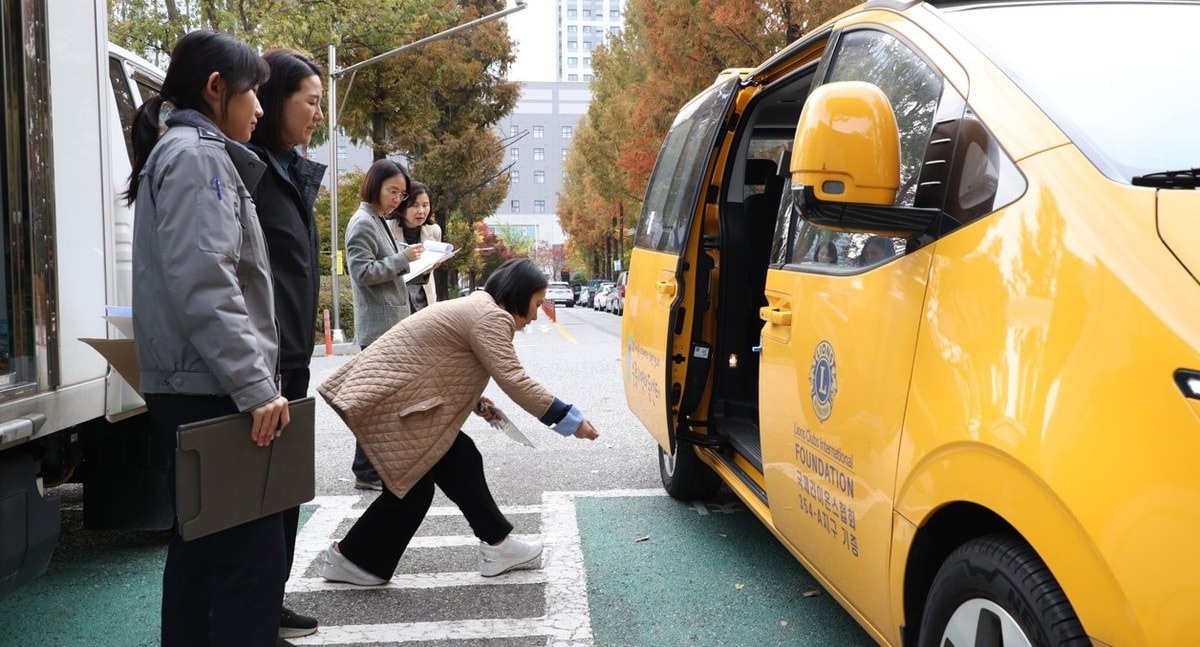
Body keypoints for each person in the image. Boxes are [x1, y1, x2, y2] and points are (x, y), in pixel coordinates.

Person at [125, 31, 290, 646]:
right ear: (216, 88)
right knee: (249, 566)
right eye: (253, 95)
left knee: (203, 555)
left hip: (193, 385)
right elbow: (207, 281)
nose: (259, 110)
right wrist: (254, 386)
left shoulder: (181, 152)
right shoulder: (197, 157)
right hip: (211, 388)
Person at [316, 258, 600, 585]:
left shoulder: (478, 306)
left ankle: (498, 544)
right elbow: (515, 379)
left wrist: (475, 403)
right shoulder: (492, 318)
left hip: (392, 397)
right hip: (392, 401)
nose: (536, 314)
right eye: (536, 304)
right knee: (413, 492)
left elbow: (441, 363)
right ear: (520, 295)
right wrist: (570, 420)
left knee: (461, 458)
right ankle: (351, 559)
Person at [247, 48, 327, 641]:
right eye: (312, 102)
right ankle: (253, 613)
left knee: (286, 490)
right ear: (278, 100)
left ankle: (269, 603)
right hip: (264, 359)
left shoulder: (288, 169)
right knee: (259, 493)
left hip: (292, 355)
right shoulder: (249, 168)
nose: (318, 115)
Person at [344, 159, 423, 490]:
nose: (397, 199)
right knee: (378, 402)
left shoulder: (377, 220)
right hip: (378, 327)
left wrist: (403, 256)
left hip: (388, 323)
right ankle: (366, 470)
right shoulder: (363, 222)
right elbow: (361, 273)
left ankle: (371, 467)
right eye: (393, 191)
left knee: (383, 401)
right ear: (374, 185)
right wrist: (402, 259)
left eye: (402, 194)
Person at [389, 181, 441, 312]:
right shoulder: (388, 229)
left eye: (425, 205)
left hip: (424, 303)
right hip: (396, 303)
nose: (421, 211)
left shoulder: (434, 231)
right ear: (402, 206)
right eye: (415, 205)